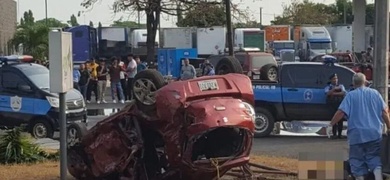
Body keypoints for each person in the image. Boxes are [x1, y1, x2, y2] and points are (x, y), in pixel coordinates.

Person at [329, 73, 390, 180]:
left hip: (356, 135)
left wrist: (331, 124)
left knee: (357, 161)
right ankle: (378, 176)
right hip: (374, 134)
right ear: (365, 82)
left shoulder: (350, 96)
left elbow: (341, 112)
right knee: (374, 157)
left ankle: (360, 178)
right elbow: (384, 112)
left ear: (353, 83)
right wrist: (389, 126)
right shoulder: (375, 94)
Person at [324, 73, 346, 139]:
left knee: (340, 119)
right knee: (333, 119)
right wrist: (334, 89)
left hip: (339, 104)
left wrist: (334, 93)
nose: (335, 80)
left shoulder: (341, 86)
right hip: (332, 105)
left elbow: (343, 92)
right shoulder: (328, 87)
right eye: (334, 79)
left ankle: (340, 134)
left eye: (336, 78)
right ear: (331, 80)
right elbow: (327, 93)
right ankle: (334, 134)